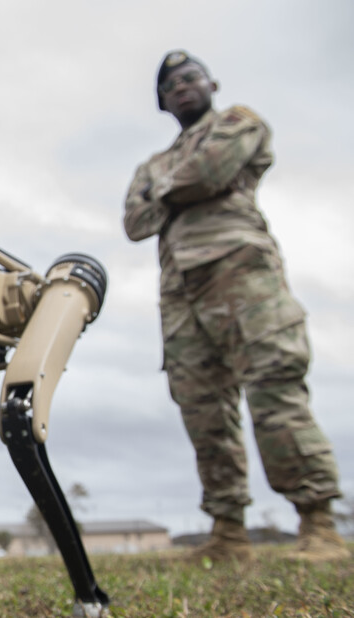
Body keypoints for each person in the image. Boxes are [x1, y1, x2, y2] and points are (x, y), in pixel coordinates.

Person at [124, 50, 348, 564]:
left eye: (190, 78)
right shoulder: (151, 163)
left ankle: (318, 523)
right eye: (170, 85)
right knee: (203, 409)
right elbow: (135, 223)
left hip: (241, 273)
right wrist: (175, 185)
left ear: (211, 83)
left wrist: (166, 191)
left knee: (274, 387)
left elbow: (210, 170)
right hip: (179, 293)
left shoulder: (237, 122)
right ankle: (228, 531)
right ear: (161, 103)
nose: (181, 87)